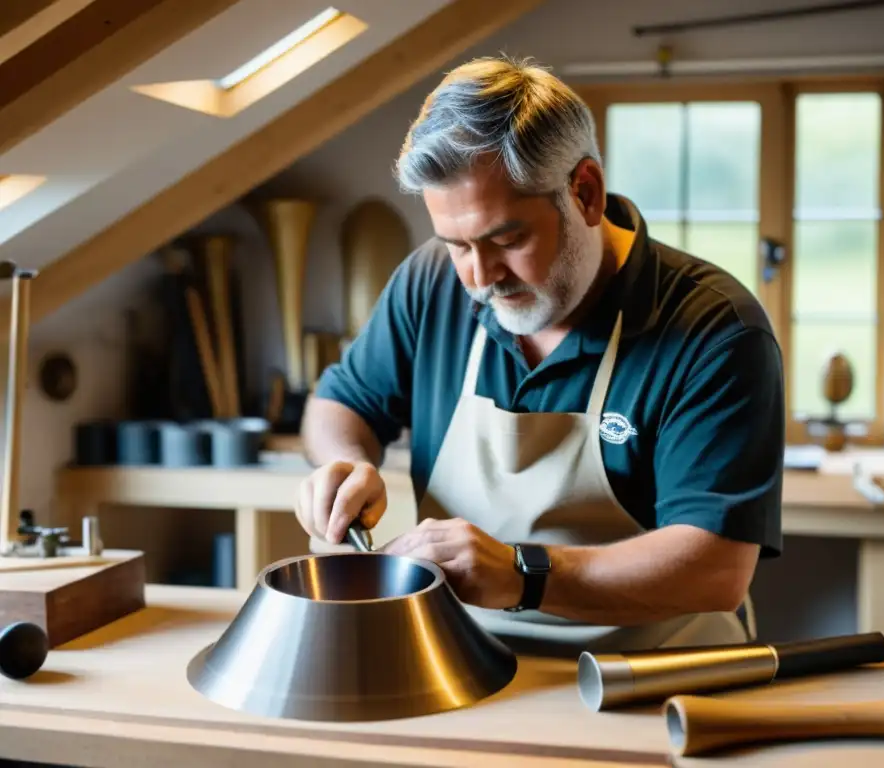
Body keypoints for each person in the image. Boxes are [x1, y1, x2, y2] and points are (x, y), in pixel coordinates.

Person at [295, 55, 785, 656]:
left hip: (655, 672)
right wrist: (344, 466)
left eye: (508, 240)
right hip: (467, 659)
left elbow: (715, 567)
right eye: (456, 246)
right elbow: (339, 404)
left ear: (585, 192)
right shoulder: (430, 282)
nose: (480, 277)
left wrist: (523, 574)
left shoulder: (715, 329)